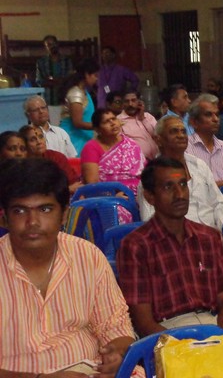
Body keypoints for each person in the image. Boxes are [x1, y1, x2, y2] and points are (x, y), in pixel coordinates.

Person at [0, 158, 135, 376]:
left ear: (63, 215)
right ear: (5, 218)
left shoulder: (87, 256)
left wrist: (117, 356)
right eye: (20, 211)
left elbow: (116, 327)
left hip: (88, 370)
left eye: (45, 209)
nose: (33, 222)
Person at [117, 157, 223, 336]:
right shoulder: (135, 246)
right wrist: (186, 346)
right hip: (168, 332)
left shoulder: (209, 237)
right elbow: (143, 323)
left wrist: (222, 341)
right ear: (150, 197)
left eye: (183, 185)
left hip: (215, 325)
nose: (180, 195)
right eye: (168, 187)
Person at [138, 115, 223, 229]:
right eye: (174, 131)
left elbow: (219, 203)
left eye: (183, 131)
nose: (181, 136)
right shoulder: (151, 177)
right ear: (158, 140)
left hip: (214, 233)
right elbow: (150, 222)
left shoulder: (199, 165)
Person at [81, 108, 146, 198]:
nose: (112, 123)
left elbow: (144, 174)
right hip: (106, 198)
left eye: (114, 119)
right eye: (106, 121)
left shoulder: (131, 145)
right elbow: (92, 184)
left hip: (137, 194)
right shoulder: (91, 147)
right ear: (97, 129)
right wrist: (113, 196)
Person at [19, 124, 82, 194]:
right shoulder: (22, 165)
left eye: (41, 137)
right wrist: (66, 190)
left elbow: (74, 184)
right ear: (24, 144)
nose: (39, 142)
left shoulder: (57, 157)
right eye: (32, 140)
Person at [59, 58, 100, 154]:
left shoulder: (84, 92)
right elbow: (77, 123)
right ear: (87, 74)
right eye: (95, 75)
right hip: (73, 139)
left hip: (83, 137)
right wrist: (100, 126)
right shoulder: (76, 94)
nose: (96, 79)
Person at [118, 90, 159, 161]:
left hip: (157, 159)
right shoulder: (118, 121)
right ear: (123, 104)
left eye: (133, 100)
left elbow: (157, 135)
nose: (130, 104)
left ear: (139, 102)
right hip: (137, 162)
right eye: (127, 101)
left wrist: (143, 119)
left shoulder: (148, 116)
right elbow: (120, 146)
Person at [35, 35, 74, 106]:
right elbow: (39, 81)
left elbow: (70, 79)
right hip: (48, 100)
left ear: (57, 44)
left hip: (64, 100)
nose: (52, 46)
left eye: (53, 43)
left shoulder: (66, 61)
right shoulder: (41, 62)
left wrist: (52, 81)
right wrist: (59, 81)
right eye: (49, 45)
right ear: (46, 47)